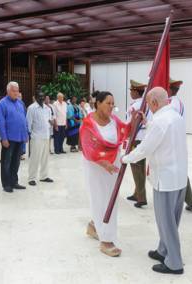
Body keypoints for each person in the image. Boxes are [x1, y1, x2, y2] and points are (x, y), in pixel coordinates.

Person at [121, 87, 187, 275]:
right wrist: (147, 122)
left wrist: (125, 159)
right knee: (171, 219)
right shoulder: (175, 116)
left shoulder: (160, 121)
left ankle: (174, 263)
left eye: (149, 103)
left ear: (155, 103)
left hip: (165, 179)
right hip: (179, 177)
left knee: (166, 222)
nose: (148, 106)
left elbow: (145, 149)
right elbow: (162, 133)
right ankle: (163, 250)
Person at [80, 91, 130, 257]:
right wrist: (104, 163)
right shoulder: (88, 123)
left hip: (112, 166)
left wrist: (138, 119)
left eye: (112, 104)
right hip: (96, 167)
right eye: (108, 103)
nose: (111, 107)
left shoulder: (114, 120)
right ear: (98, 103)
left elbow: (126, 130)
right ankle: (106, 241)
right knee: (101, 199)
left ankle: (94, 226)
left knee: (110, 198)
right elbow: (88, 148)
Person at [169, 78, 192, 211]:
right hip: (173, 141)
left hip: (173, 142)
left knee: (177, 171)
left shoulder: (173, 104)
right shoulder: (172, 102)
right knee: (177, 171)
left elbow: (171, 125)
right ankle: (189, 200)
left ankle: (186, 199)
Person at [0, 81, 29, 193]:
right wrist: (4, 138)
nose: (16, 92)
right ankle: (6, 184)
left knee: (16, 162)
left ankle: (14, 182)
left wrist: (26, 134)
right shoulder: (2, 104)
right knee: (6, 162)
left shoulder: (20, 103)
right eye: (14, 90)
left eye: (17, 90)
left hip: (20, 138)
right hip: (9, 139)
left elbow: (24, 120)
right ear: (8, 91)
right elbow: (0, 123)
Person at [126, 79, 149, 208]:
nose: (130, 93)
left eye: (131, 90)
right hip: (144, 138)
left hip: (136, 138)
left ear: (135, 91)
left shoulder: (134, 106)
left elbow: (130, 124)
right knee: (141, 167)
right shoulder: (146, 104)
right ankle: (137, 193)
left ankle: (141, 197)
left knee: (136, 168)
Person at [26, 90, 54, 186]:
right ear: (35, 97)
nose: (42, 98)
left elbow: (49, 120)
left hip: (46, 136)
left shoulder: (47, 108)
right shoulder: (31, 108)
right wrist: (28, 135)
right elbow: (28, 123)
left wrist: (51, 126)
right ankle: (32, 178)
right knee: (35, 158)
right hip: (36, 137)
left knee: (45, 158)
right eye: (40, 96)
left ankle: (44, 176)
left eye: (43, 96)